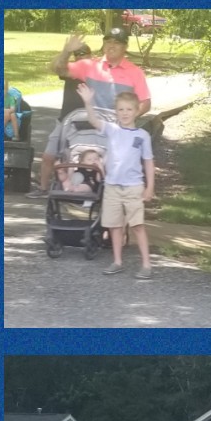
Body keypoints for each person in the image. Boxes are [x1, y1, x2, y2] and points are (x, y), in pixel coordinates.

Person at [76, 82, 154, 279]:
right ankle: (117, 261)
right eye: (121, 109)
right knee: (114, 225)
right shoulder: (111, 129)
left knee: (137, 225)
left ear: (137, 111)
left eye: (129, 109)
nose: (125, 113)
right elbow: (94, 121)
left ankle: (146, 264)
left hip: (133, 187)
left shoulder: (143, 136)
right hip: (112, 185)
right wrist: (88, 102)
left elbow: (148, 162)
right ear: (116, 112)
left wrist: (150, 187)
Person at [26, 42, 93, 199]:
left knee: (81, 158)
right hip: (64, 120)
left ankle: (81, 190)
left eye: (83, 55)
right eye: (77, 55)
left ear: (90, 56)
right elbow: (55, 67)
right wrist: (66, 51)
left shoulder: (94, 72)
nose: (80, 58)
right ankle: (43, 188)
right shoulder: (71, 70)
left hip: (86, 123)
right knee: (48, 156)